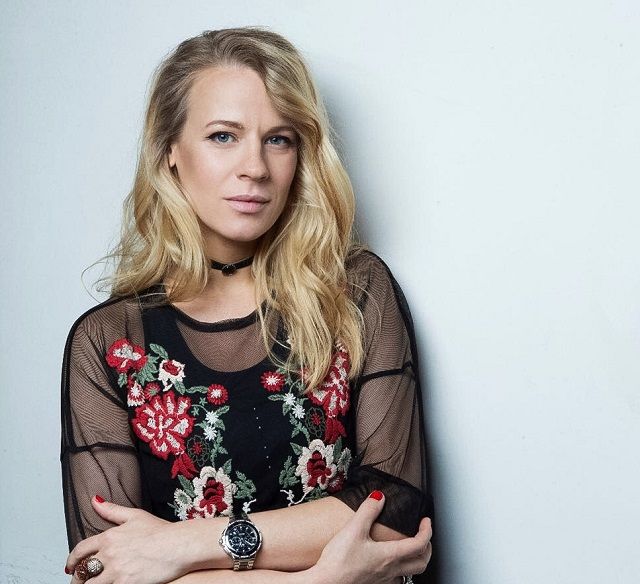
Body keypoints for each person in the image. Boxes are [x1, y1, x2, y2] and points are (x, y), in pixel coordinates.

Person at [60, 26, 434, 583]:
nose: (255, 167)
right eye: (223, 136)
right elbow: (106, 569)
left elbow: (394, 509)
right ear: (169, 151)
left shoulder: (353, 292)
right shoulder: (110, 341)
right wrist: (320, 580)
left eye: (278, 139)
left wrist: (183, 546)